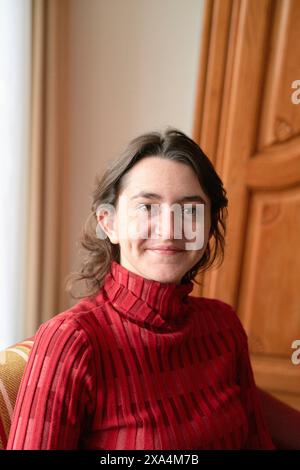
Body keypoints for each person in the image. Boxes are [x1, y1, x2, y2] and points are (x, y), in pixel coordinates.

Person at [7, 127, 278, 450]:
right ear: (109, 223)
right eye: (147, 207)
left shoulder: (224, 325)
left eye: (190, 210)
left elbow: (257, 441)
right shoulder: (72, 339)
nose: (169, 229)